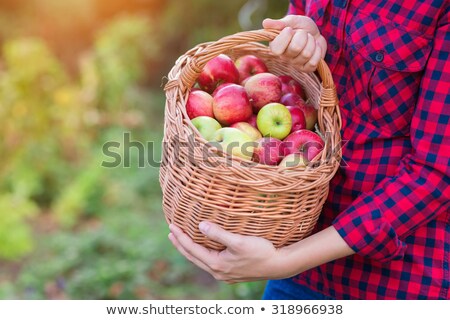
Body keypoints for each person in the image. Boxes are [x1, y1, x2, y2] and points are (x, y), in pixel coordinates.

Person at [168, 0, 450, 299]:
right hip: (296, 242)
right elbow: (292, 87)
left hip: (395, 282)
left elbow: (437, 172)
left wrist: (287, 261)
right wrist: (300, 42)